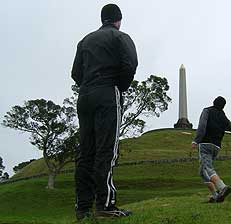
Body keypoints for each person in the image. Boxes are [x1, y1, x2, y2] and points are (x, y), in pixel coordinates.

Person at [71, 4, 138, 220]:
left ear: (102, 19)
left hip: (84, 96)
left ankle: (82, 208)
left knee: (86, 152)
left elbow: (75, 73)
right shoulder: (120, 37)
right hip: (107, 92)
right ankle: (106, 204)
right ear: (119, 19)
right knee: (106, 150)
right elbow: (131, 64)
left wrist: (88, 84)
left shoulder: (85, 41)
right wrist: (119, 86)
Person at [192, 96, 231, 203]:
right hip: (216, 147)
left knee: (208, 168)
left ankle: (222, 187)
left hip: (206, 144)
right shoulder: (224, 117)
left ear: (214, 102)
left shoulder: (207, 111)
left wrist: (196, 140)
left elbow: (202, 126)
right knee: (202, 172)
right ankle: (215, 196)